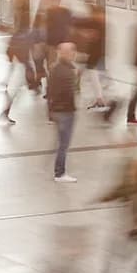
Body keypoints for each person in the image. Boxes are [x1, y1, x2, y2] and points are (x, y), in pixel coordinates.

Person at [49, 43, 78, 182]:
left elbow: (49, 92)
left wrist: (50, 111)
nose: (74, 54)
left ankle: (59, 171)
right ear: (66, 53)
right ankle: (60, 173)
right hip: (65, 112)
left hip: (56, 110)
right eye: (72, 51)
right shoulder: (67, 71)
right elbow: (68, 93)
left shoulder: (55, 68)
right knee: (63, 144)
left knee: (61, 143)